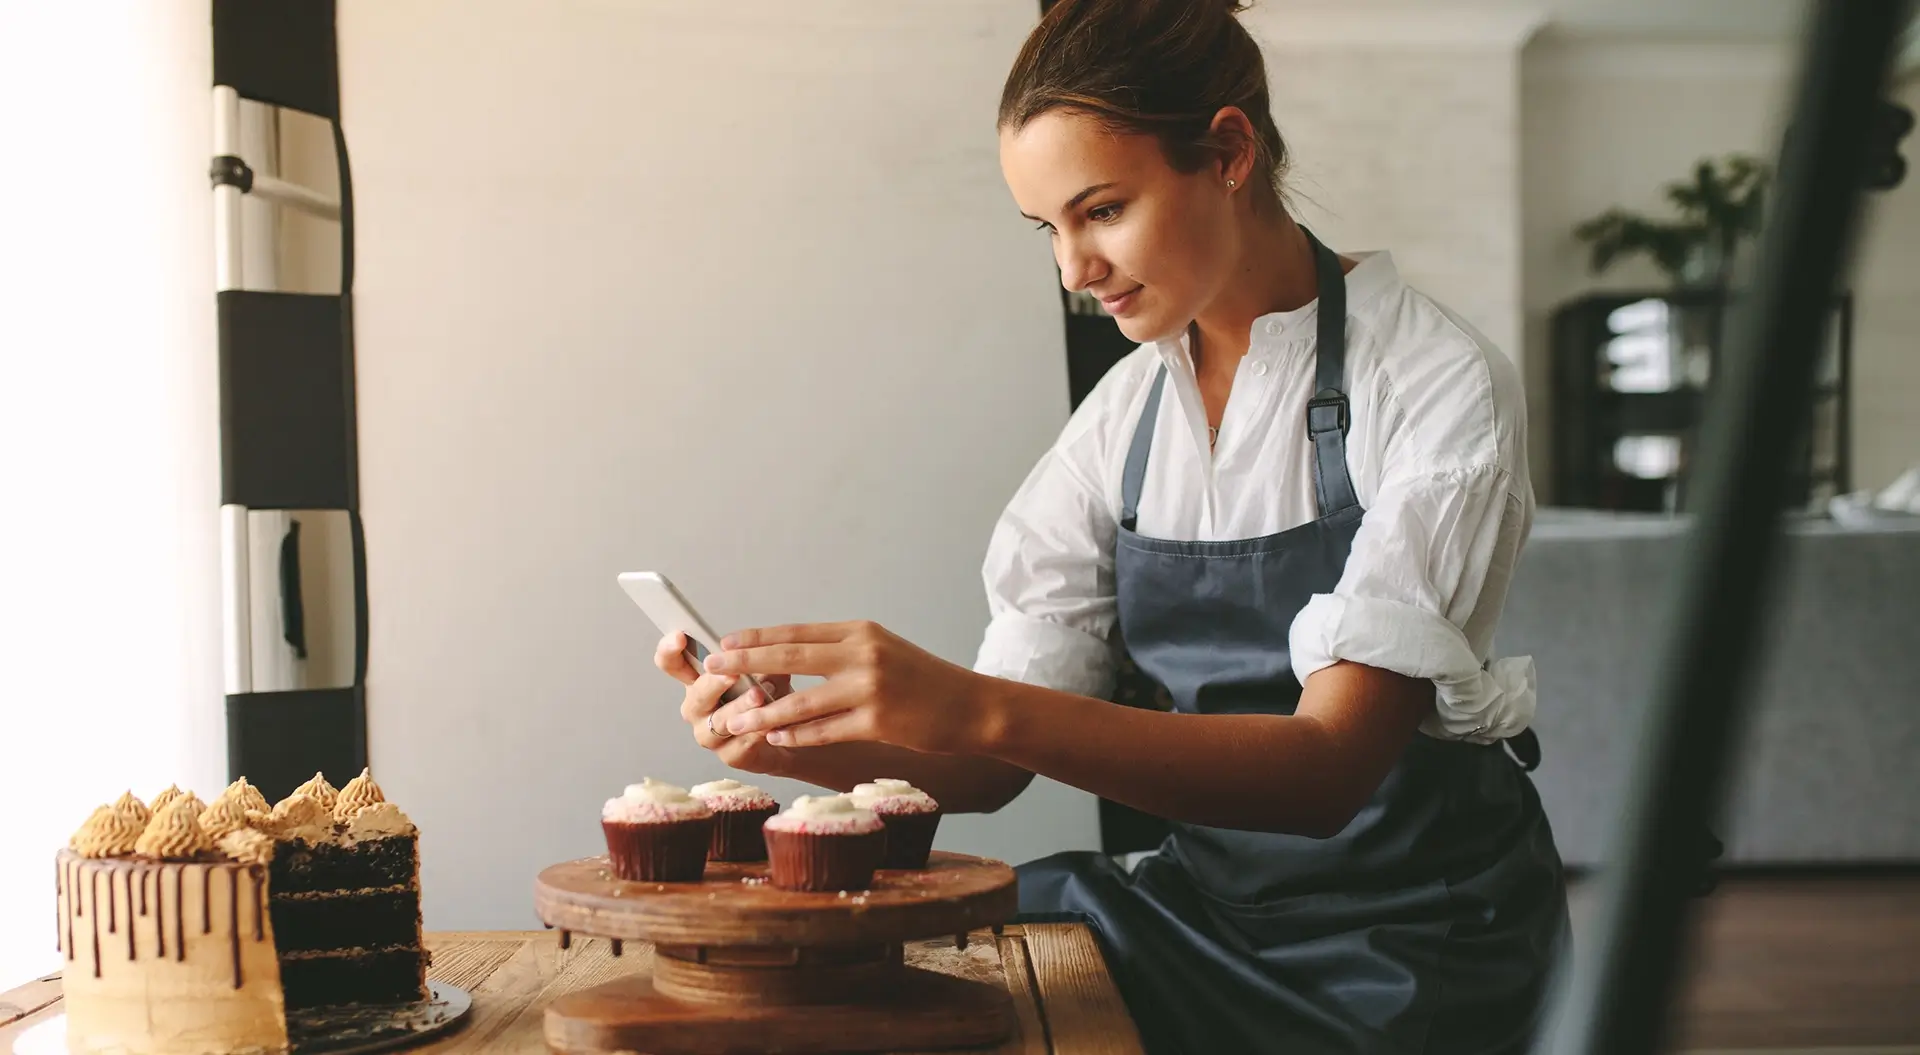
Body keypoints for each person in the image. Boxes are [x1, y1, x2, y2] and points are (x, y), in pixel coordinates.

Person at [652, 0, 1568, 1051]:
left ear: (1228, 151)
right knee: (887, 970)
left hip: (1415, 949)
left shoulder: (1436, 383)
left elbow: (1327, 771)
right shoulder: (1123, 420)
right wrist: (796, 734)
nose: (1073, 270)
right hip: (1203, 909)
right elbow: (992, 772)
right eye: (1049, 227)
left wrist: (969, 702)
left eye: (1102, 210)